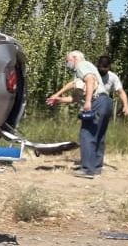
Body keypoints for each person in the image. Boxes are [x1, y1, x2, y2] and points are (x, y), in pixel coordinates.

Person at [46, 50, 112, 179]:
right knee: (98, 136)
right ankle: (96, 168)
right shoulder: (84, 71)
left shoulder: (82, 65)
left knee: (86, 135)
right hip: (105, 102)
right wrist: (59, 99)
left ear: (75, 58)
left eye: (67, 61)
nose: (67, 63)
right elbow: (75, 98)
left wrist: (88, 102)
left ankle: (87, 170)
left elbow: (90, 80)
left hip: (96, 102)